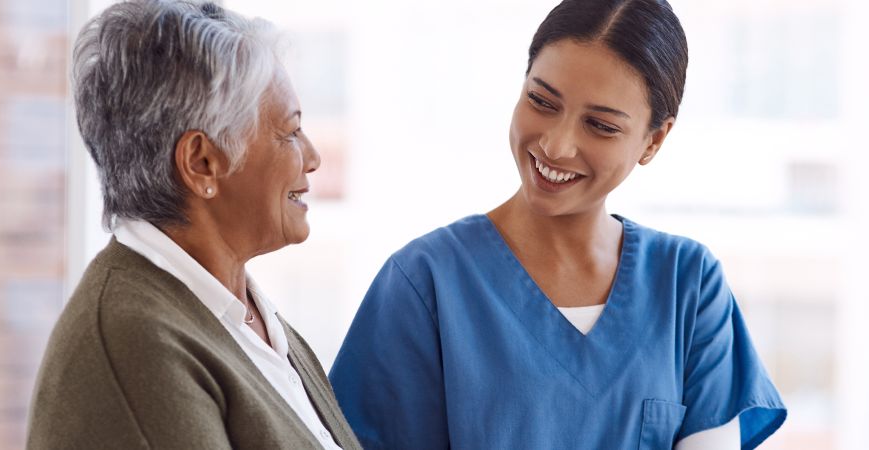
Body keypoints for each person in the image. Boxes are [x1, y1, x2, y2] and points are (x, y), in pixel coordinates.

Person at [328, 0, 786, 449]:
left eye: (601, 126)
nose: (557, 145)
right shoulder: (424, 282)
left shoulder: (688, 283)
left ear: (654, 140)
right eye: (542, 101)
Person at [27, 1, 360, 448]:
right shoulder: (135, 347)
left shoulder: (245, 318)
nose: (314, 158)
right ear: (201, 162)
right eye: (290, 132)